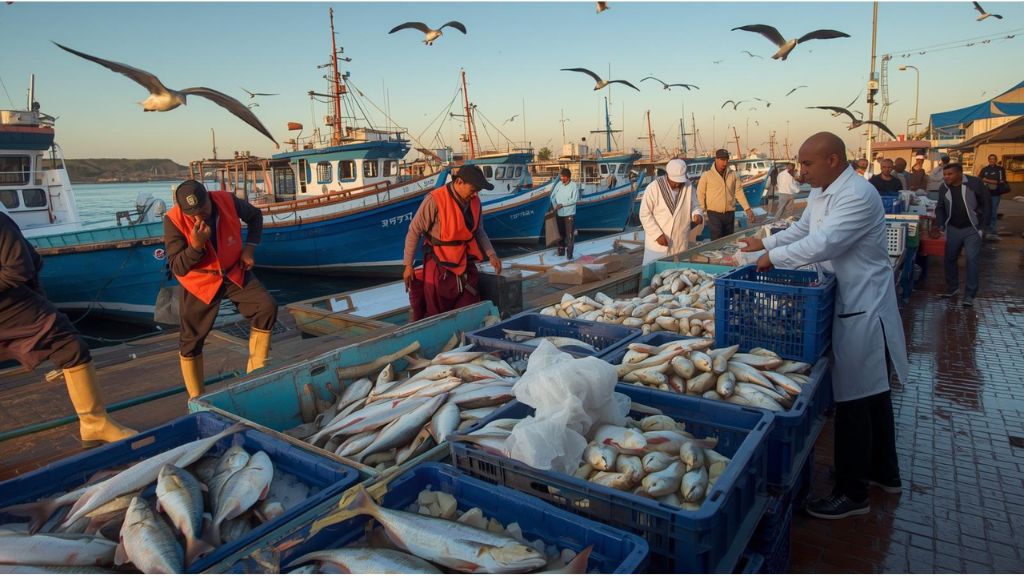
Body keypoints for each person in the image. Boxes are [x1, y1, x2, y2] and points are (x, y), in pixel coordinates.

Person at [739, 132, 909, 520]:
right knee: (875, 395)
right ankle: (884, 472)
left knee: (854, 401)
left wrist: (774, 259)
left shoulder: (856, 195)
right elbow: (804, 230)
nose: (801, 171)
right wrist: (766, 242)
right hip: (849, 297)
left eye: (807, 163)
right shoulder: (823, 189)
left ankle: (852, 493)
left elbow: (825, 244)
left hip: (863, 305)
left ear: (834, 159)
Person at [1, 212, 137, 446]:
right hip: (9, 304)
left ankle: (94, 424)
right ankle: (94, 422)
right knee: (68, 344)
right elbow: (19, 269)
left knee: (67, 344)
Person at [164, 180, 277, 399]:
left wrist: (250, 248)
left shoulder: (227, 200)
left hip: (233, 270)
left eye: (203, 209)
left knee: (266, 307)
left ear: (209, 197)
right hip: (201, 282)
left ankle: (255, 377)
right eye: (192, 214)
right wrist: (196, 246)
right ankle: (197, 397)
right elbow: (177, 266)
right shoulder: (173, 220)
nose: (199, 217)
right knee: (191, 340)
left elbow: (255, 216)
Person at [403, 165, 502, 320]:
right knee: (437, 307)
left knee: (470, 302)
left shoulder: (475, 202)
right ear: (459, 182)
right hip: (439, 263)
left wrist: (492, 254)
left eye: (478, 191)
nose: (475, 194)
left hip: (465, 261)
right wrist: (408, 266)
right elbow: (414, 230)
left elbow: (479, 231)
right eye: (473, 189)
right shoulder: (435, 199)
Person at [934, 163, 990, 307]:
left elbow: (987, 204)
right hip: (953, 228)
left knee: (972, 260)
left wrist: (983, 227)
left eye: (950, 174)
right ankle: (952, 288)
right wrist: (941, 223)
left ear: (959, 173)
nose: (946, 177)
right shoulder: (944, 187)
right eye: (945, 175)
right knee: (949, 258)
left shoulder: (974, 183)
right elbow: (940, 207)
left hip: (972, 228)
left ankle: (969, 295)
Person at [639, 159, 704, 265]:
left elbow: (695, 206)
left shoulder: (688, 186)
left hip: (680, 241)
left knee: (679, 272)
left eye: (680, 181)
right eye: (675, 181)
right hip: (658, 245)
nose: (678, 184)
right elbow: (644, 214)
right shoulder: (653, 188)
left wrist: (697, 214)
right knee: (655, 273)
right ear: (667, 175)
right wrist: (657, 235)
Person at [696, 149, 754, 240]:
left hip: (729, 213)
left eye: (727, 160)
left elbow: (739, 192)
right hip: (713, 213)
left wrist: (747, 209)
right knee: (717, 239)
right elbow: (700, 193)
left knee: (728, 240)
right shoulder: (706, 176)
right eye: (722, 160)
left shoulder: (733, 175)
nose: (725, 162)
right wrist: (701, 211)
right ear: (716, 159)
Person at [549, 168, 579, 259]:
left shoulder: (574, 186)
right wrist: (555, 205)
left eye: (563, 177)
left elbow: (574, 200)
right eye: (561, 176)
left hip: (569, 214)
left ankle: (569, 255)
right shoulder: (559, 184)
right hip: (559, 213)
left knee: (569, 235)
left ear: (568, 177)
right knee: (560, 234)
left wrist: (562, 205)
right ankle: (561, 252)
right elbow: (552, 196)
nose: (561, 178)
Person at [978, 154, 1008, 235]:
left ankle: (992, 228)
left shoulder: (1000, 169)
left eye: (993, 159)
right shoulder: (984, 169)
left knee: (993, 211)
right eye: (990, 159)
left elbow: (1001, 181)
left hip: (996, 193)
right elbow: (980, 179)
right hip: (985, 194)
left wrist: (987, 180)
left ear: (996, 160)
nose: (992, 160)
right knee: (986, 211)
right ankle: (986, 227)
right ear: (988, 160)